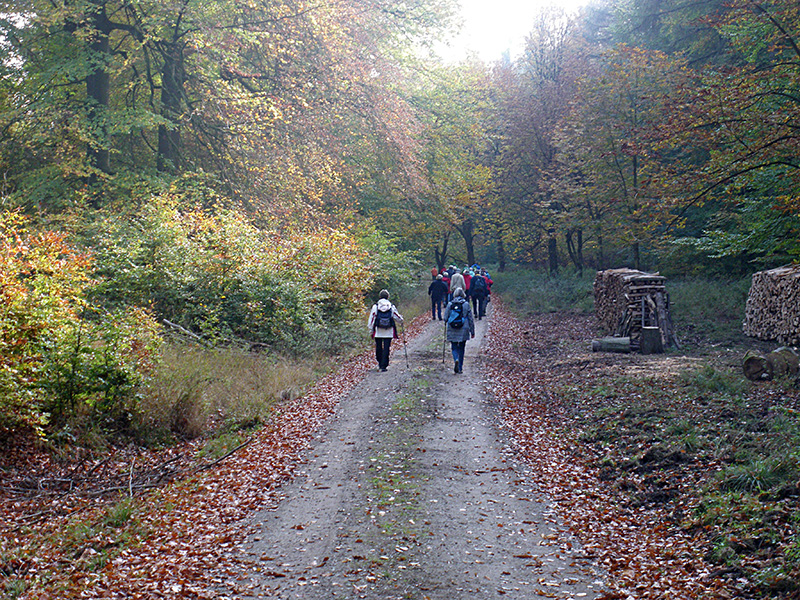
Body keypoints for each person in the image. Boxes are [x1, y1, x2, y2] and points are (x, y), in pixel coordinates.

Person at [368, 289, 404, 372]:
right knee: (386, 348)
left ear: (380, 297)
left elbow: (372, 319)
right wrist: (401, 321)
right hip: (389, 330)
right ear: (388, 297)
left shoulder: (375, 306)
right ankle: (384, 365)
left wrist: (371, 330)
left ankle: (380, 362)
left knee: (379, 347)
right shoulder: (391, 306)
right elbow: (396, 316)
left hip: (378, 330)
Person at [444, 288, 475, 374]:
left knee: (454, 346)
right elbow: (470, 319)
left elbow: (445, 318)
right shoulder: (466, 304)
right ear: (463, 295)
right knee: (462, 347)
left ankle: (455, 359)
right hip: (463, 328)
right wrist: (472, 331)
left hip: (452, 328)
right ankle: (460, 368)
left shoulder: (450, 304)